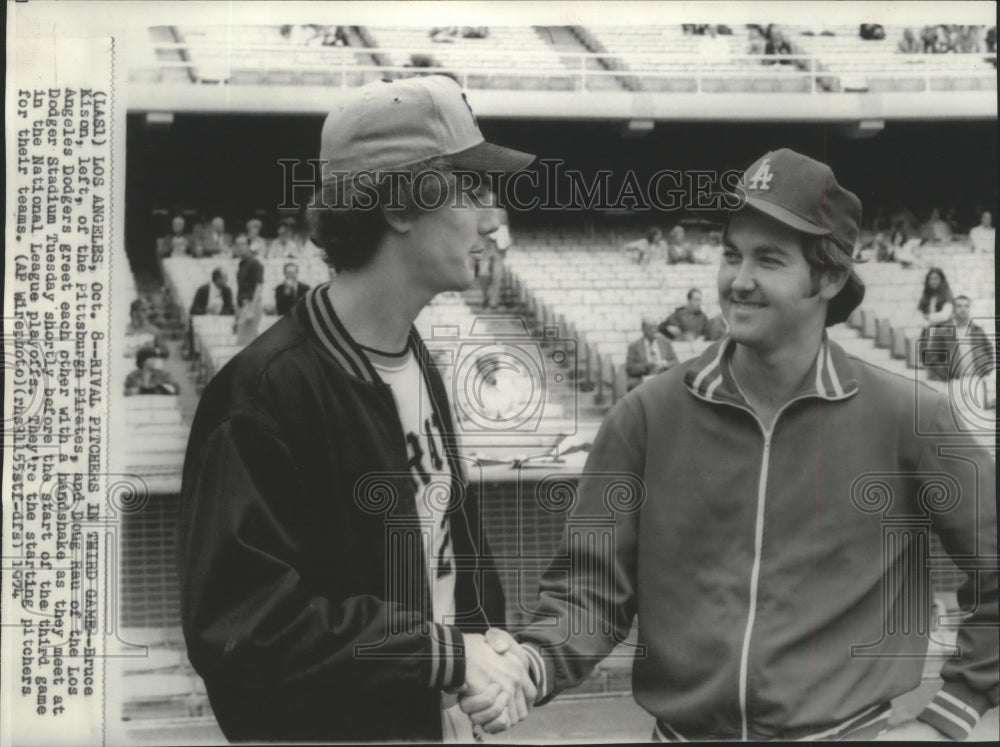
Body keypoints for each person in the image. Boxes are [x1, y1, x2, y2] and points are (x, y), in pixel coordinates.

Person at [488, 149, 997, 741]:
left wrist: (950, 716)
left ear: (829, 277)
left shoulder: (912, 416)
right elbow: (589, 591)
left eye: (769, 259)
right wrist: (529, 663)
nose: (740, 279)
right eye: (732, 255)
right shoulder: (646, 415)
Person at [178, 74, 538, 743]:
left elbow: (450, 542)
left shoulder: (412, 352)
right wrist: (442, 655)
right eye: (468, 188)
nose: (489, 215)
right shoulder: (264, 393)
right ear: (402, 206)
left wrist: (489, 640)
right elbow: (240, 625)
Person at [918, 267, 955, 381]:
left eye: (936, 278)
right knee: (927, 357)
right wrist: (925, 320)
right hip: (929, 329)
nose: (933, 281)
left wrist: (929, 317)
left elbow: (945, 315)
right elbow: (919, 313)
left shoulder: (947, 293)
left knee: (941, 359)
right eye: (931, 279)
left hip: (943, 329)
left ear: (941, 280)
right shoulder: (927, 295)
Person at [948, 295, 995, 381]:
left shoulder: (978, 330)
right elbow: (934, 358)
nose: (963, 309)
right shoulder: (946, 332)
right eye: (959, 306)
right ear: (954, 309)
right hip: (954, 380)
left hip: (976, 379)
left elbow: (989, 350)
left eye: (966, 306)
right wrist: (945, 373)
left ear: (969, 309)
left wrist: (988, 367)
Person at [624, 317, 678, 391]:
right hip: (643, 379)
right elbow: (630, 368)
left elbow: (675, 362)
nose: (654, 331)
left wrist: (665, 364)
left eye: (655, 328)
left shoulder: (665, 343)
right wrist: (646, 366)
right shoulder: (634, 346)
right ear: (643, 329)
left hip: (663, 377)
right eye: (650, 328)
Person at [233, 233, 264, 346]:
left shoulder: (255, 263)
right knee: (244, 344)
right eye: (238, 244)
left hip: (251, 306)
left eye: (243, 244)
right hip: (243, 307)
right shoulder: (241, 264)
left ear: (248, 246)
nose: (240, 247)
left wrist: (251, 309)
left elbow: (259, 287)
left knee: (245, 344)